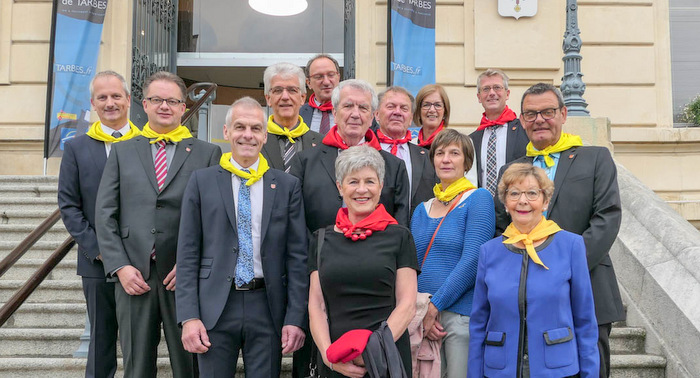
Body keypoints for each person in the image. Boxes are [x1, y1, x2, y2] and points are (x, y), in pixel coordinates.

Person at [96, 71, 222, 378]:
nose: (164, 106)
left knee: (188, 364)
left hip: (184, 277)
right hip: (134, 276)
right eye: (157, 100)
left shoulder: (207, 153)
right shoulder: (123, 151)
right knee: (137, 366)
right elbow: (105, 214)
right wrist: (120, 267)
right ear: (144, 105)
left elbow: (217, 218)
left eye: (172, 101)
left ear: (182, 107)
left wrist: (192, 265)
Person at [495, 83, 624, 378]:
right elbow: (502, 225)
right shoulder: (511, 169)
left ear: (564, 114)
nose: (539, 119)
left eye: (548, 112)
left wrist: (566, 269)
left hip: (589, 284)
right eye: (530, 114)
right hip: (530, 293)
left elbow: (607, 217)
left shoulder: (595, 158)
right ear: (522, 120)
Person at [176, 97, 308, 377]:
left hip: (268, 307)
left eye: (255, 128)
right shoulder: (201, 181)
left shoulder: (286, 186)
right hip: (215, 307)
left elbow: (297, 257)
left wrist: (295, 318)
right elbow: (187, 253)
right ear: (226, 132)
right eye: (239, 127)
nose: (247, 135)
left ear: (264, 135)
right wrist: (189, 316)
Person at [469, 163, 599, 377]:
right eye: (514, 193)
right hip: (500, 369)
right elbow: (478, 323)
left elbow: (585, 320)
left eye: (532, 193)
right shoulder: (489, 252)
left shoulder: (571, 246)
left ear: (545, 201)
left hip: (558, 368)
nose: (523, 201)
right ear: (505, 203)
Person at [308, 145, 418, 377]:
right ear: (340, 187)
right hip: (337, 359)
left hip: (386, 356)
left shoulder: (399, 236)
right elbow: (316, 306)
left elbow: (407, 304)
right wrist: (329, 356)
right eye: (353, 181)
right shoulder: (320, 240)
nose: (362, 190)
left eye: (369, 181)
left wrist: (371, 350)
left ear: (380, 186)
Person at [58, 70, 139, 378]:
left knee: (139, 343)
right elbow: (69, 206)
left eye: (116, 96)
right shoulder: (77, 148)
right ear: (92, 103)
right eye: (102, 97)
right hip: (97, 263)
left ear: (129, 100)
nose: (110, 103)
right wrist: (101, 250)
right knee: (101, 341)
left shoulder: (146, 143)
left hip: (141, 260)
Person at [410, 129, 495, 378]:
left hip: (459, 317)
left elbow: (473, 261)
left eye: (454, 153)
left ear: (466, 162)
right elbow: (412, 265)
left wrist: (436, 305)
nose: (446, 159)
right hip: (423, 316)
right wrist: (422, 309)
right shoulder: (421, 209)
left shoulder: (478, 199)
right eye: (440, 153)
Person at [289, 79, 411, 232]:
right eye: (348, 106)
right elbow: (295, 221)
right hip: (319, 252)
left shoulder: (394, 166)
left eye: (363, 108)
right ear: (334, 112)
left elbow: (400, 226)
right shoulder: (305, 162)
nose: (355, 114)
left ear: (372, 116)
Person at [375, 86, 438, 215]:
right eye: (391, 107)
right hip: (372, 232)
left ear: (410, 118)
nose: (397, 112)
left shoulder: (427, 158)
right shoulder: (364, 152)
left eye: (404, 108)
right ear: (376, 114)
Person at [468, 69, 529, 196]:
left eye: (497, 87)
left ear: (507, 94)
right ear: (479, 97)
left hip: (518, 206)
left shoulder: (525, 130)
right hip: (483, 209)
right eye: (486, 89)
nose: (491, 93)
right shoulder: (472, 139)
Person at [260, 62, 322, 173]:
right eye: (278, 90)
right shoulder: (256, 141)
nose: (285, 97)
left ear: (302, 98)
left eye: (292, 90)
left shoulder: (321, 143)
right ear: (268, 98)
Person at [300, 54, 341, 135]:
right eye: (318, 76)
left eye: (331, 75)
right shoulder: (299, 115)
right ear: (308, 83)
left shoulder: (353, 111)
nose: (326, 82)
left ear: (338, 78)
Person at [413, 84, 450, 149]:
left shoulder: (453, 144)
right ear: (418, 111)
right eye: (426, 105)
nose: (432, 110)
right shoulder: (410, 146)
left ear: (445, 111)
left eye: (437, 105)